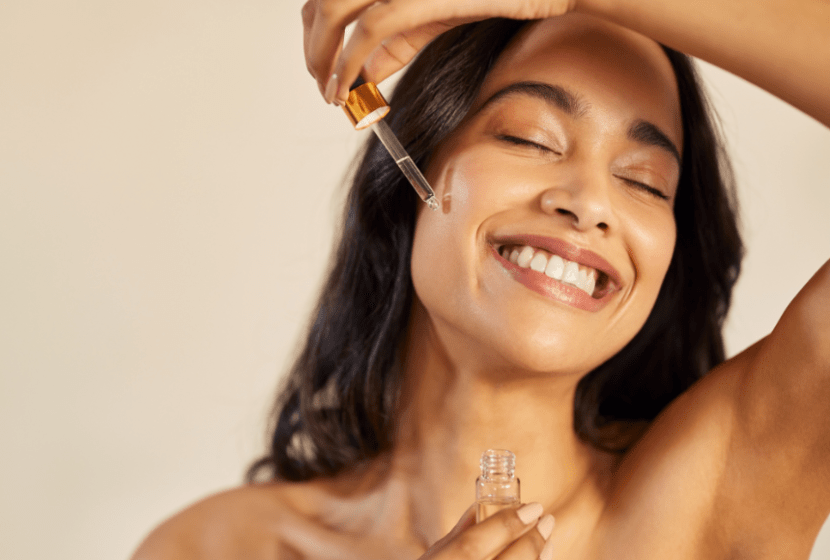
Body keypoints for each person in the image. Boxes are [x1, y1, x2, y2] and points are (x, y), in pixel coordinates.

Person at [134, 0, 830, 558]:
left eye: (644, 182)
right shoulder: (211, 547)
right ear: (410, 176)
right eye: (530, 138)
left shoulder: (719, 495)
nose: (590, 203)